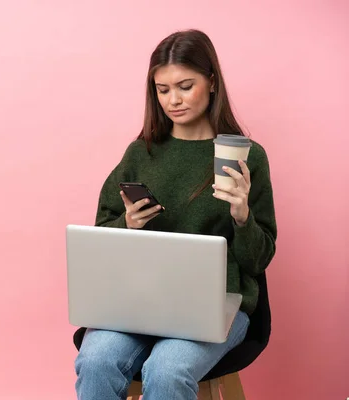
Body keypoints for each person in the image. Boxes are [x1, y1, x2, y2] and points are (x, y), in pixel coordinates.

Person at [73, 29, 277, 400]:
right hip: (138, 301)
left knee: (168, 371)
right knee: (96, 361)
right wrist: (129, 224)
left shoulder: (248, 157)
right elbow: (102, 234)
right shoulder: (141, 153)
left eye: (185, 86)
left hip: (217, 305)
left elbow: (258, 259)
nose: (173, 100)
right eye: (162, 90)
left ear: (211, 82)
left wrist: (242, 216)